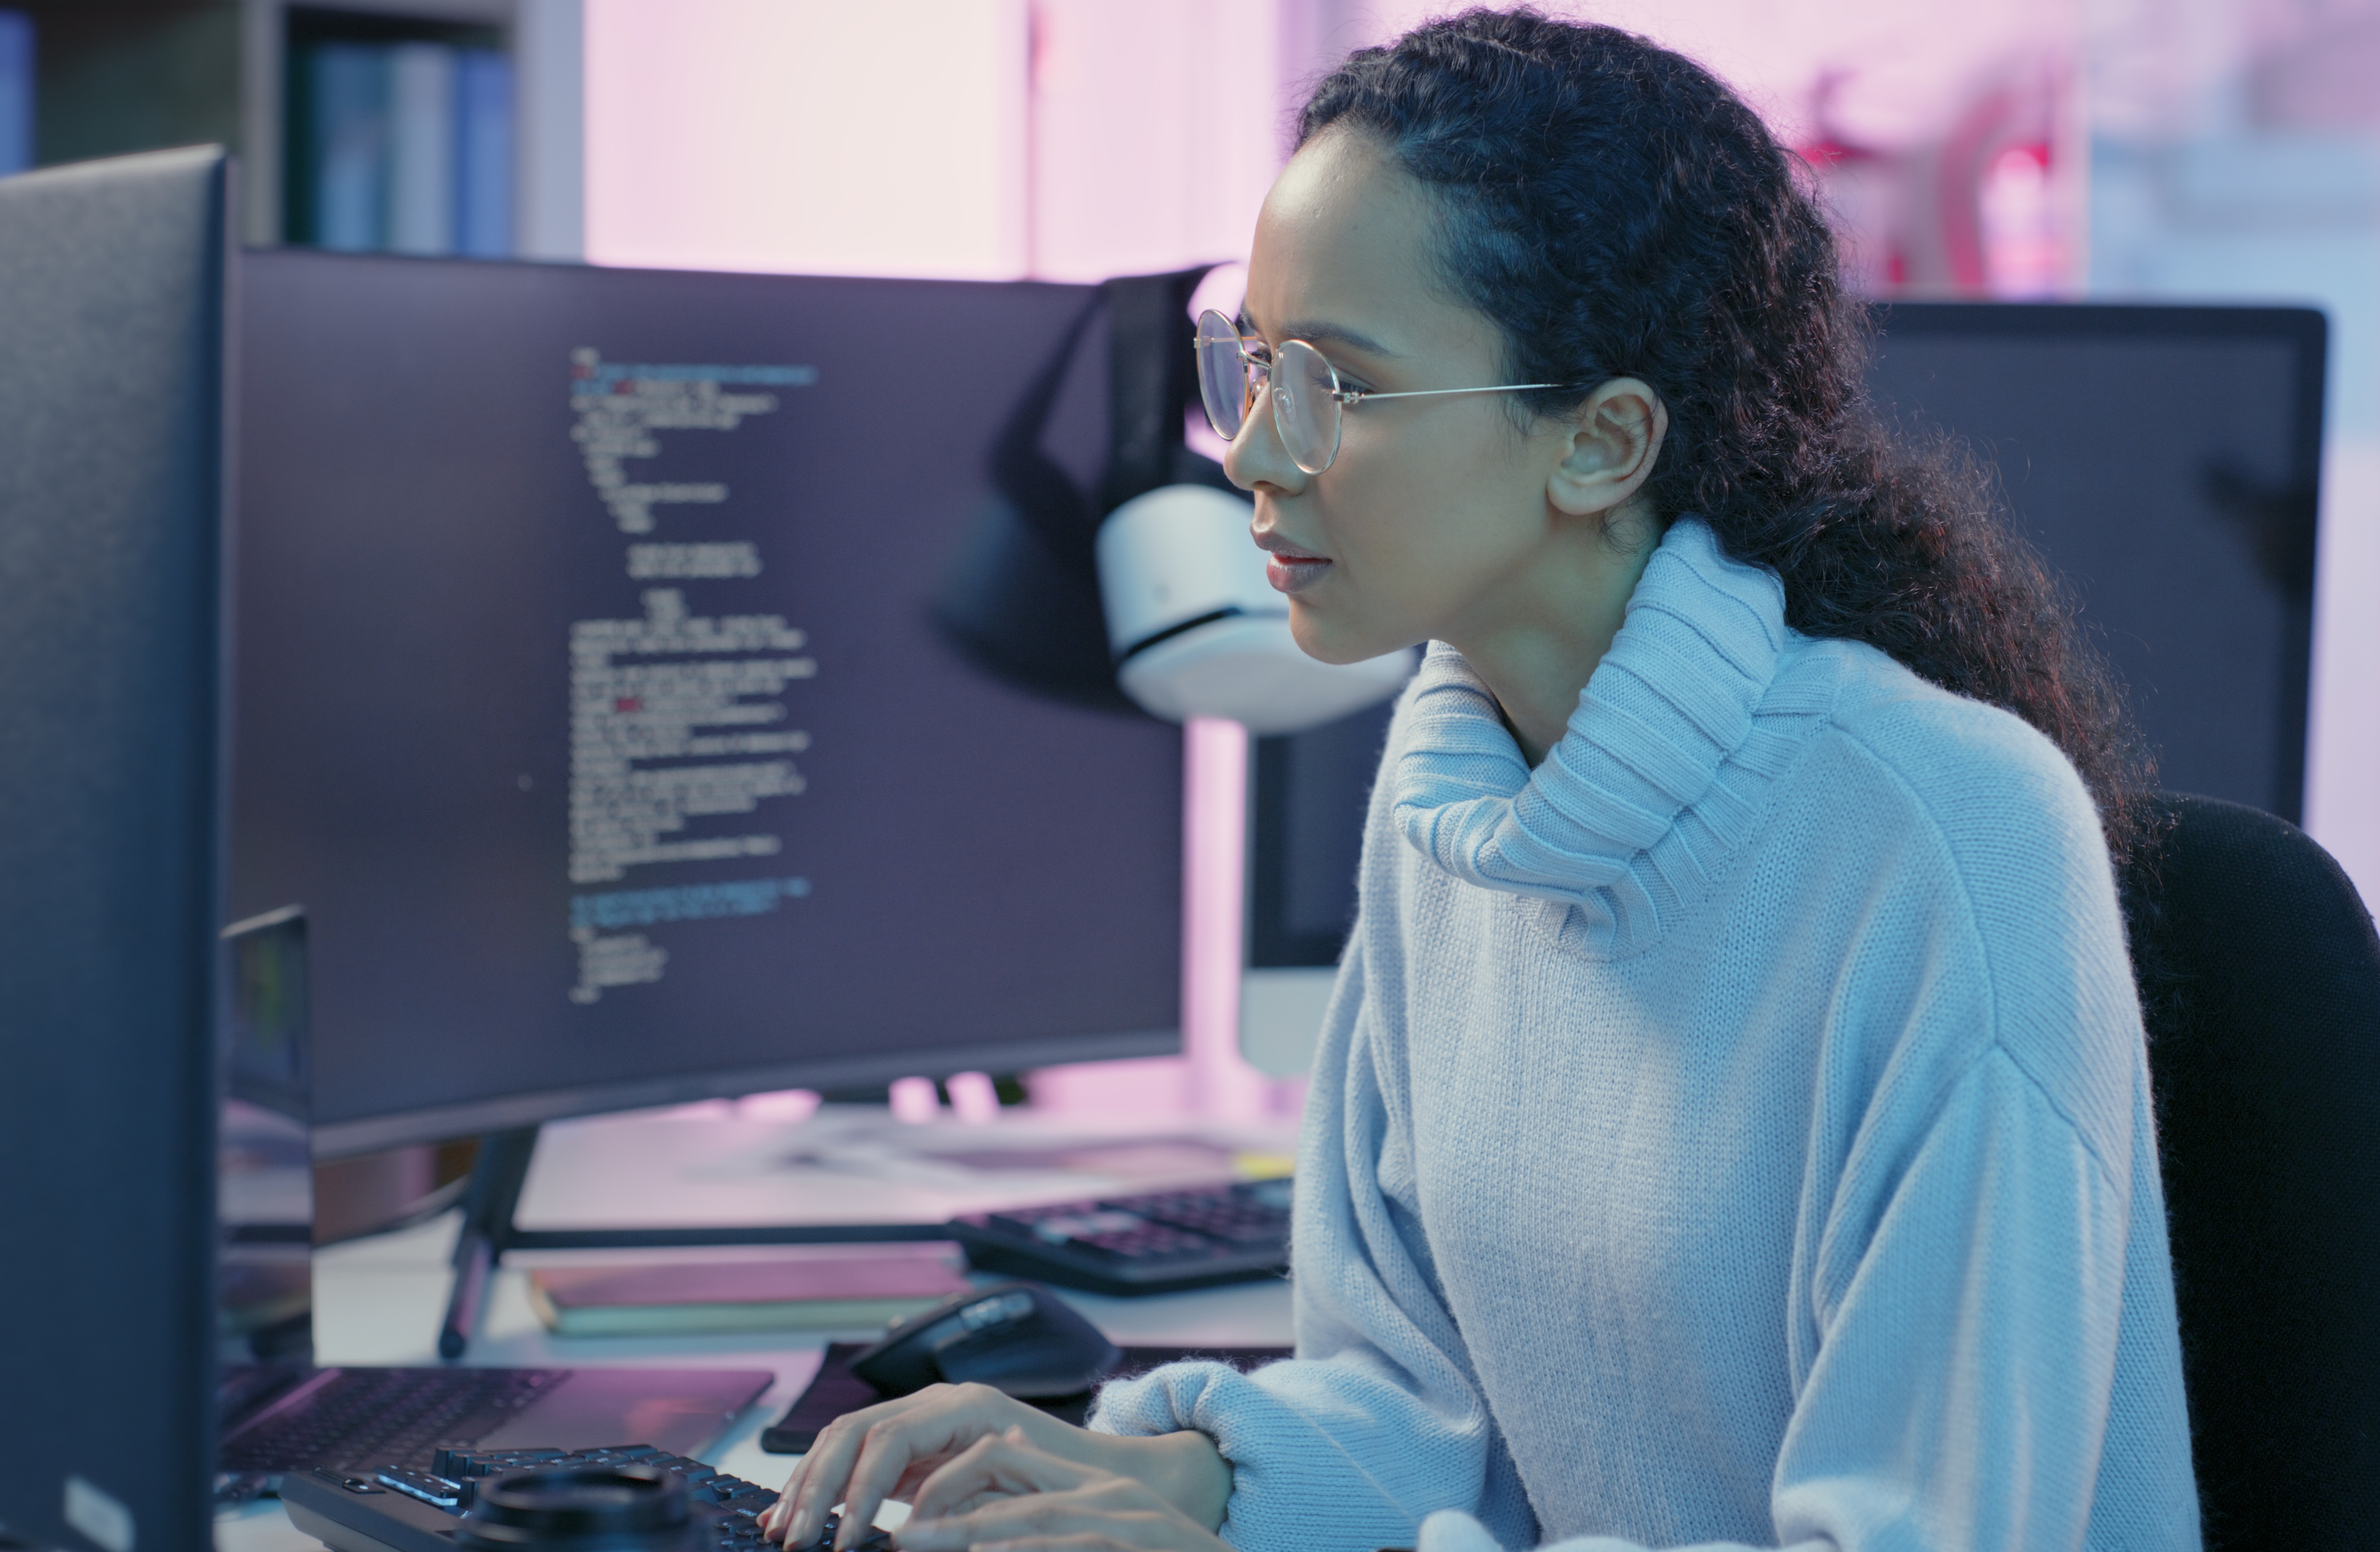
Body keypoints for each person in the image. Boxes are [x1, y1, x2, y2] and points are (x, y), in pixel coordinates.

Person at [770, 10, 2199, 1551]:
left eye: (1332, 384)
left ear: (1600, 443)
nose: (1252, 453)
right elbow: (1420, 1405)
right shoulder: (1452, 792)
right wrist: (1160, 1476)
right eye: (1249, 364)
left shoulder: (1949, 840)